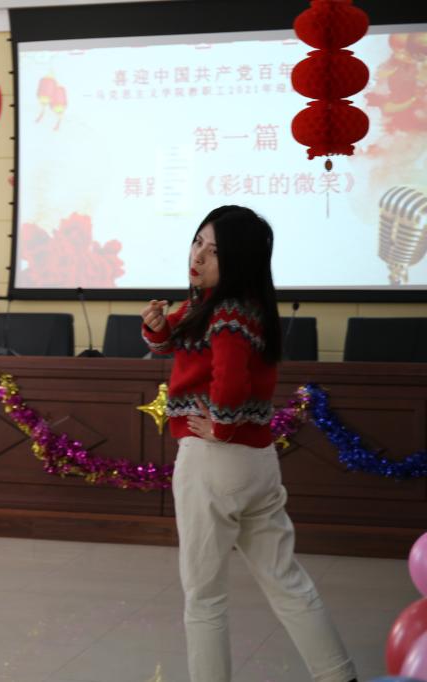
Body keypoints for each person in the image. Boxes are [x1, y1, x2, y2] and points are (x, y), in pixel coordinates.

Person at [141, 205, 356, 682]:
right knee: (287, 582)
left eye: (215, 251)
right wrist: (156, 325)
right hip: (256, 462)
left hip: (212, 462)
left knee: (204, 598)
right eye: (198, 241)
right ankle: (340, 676)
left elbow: (232, 383)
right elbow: (168, 345)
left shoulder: (226, 312)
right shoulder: (227, 305)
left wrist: (220, 426)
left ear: (238, 260)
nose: (199, 255)